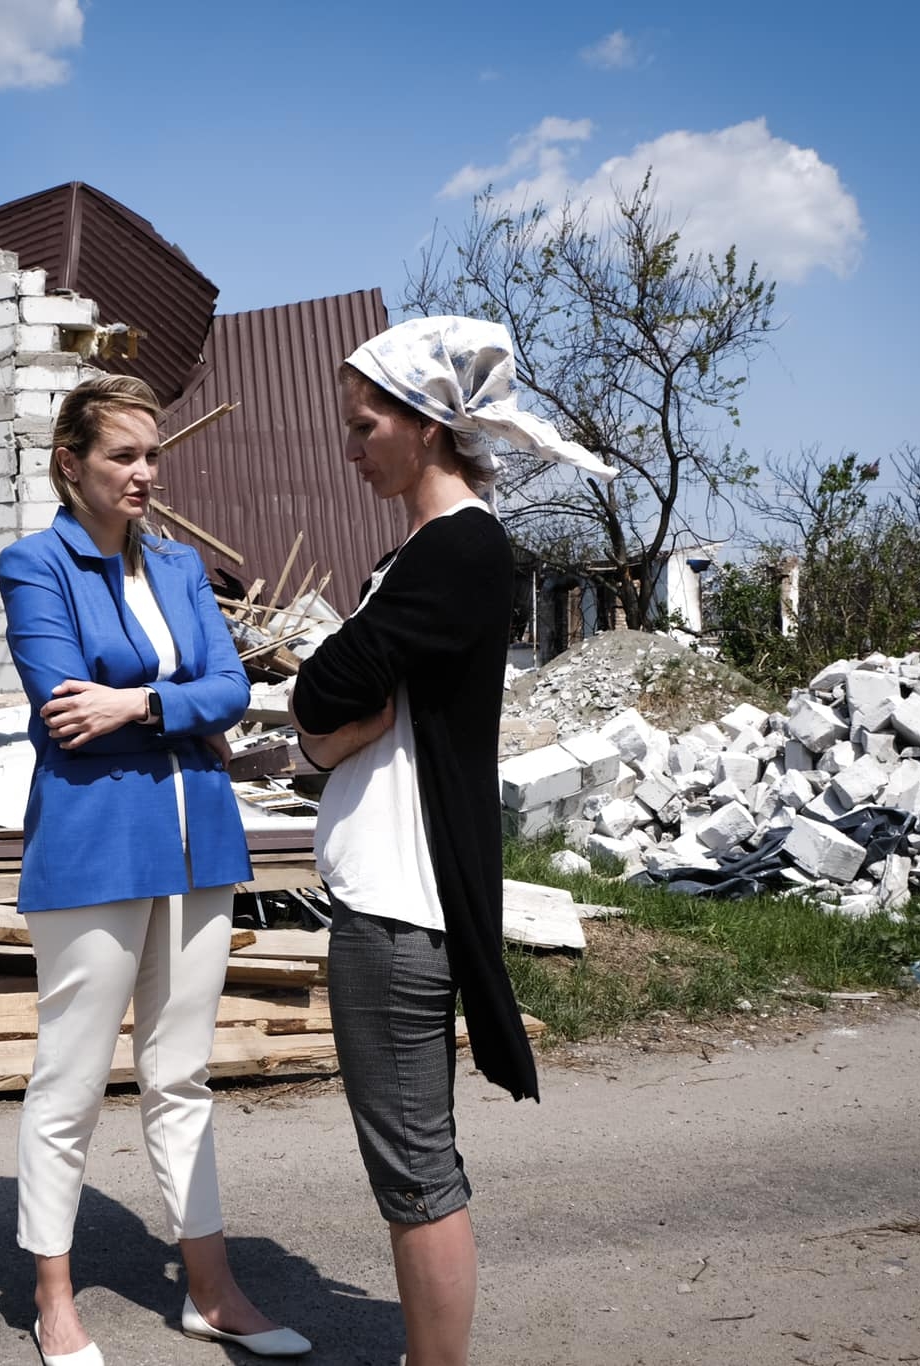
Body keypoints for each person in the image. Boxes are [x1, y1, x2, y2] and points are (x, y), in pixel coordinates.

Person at [289, 317, 616, 1366]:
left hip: (395, 903)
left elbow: (323, 689)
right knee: (415, 1164)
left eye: (361, 424)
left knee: (415, 1171)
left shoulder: (459, 548)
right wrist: (330, 728)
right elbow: (340, 713)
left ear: (425, 425)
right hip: (394, 899)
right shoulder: (427, 554)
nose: (350, 448)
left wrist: (326, 722)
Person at [0, 374, 312, 1366]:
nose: (142, 473)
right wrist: (181, 709)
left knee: (181, 1077)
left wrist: (138, 705)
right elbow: (61, 708)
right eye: (121, 456)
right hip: (93, 847)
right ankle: (54, 1301)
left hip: (199, 843)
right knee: (72, 1080)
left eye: (150, 455)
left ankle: (209, 1292)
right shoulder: (32, 565)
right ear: (70, 464)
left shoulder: (178, 568)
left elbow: (229, 686)